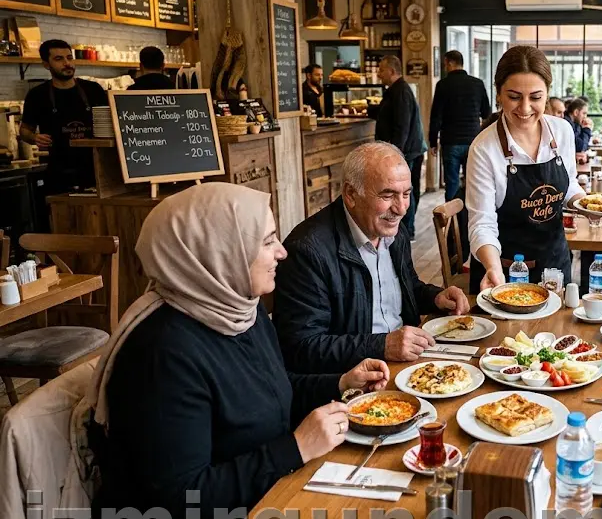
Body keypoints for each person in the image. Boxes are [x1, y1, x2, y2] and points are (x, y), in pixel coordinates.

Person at [88, 183, 391, 516]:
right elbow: (180, 498)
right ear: (218, 253)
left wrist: (340, 383)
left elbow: (271, 391)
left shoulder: (240, 307)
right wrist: (295, 449)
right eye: (267, 241)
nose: (282, 252)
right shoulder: (161, 354)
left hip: (269, 493)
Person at [274, 142, 469, 373]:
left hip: (405, 363)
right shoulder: (307, 251)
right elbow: (301, 347)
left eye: (406, 194)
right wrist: (381, 345)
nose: (401, 208)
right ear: (351, 194)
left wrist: (436, 297)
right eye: (388, 195)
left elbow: (405, 288)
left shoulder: (392, 230)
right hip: (353, 379)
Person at [466, 45, 586, 291]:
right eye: (514, 96)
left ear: (547, 94)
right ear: (498, 94)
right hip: (504, 270)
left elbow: (569, 182)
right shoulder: (484, 147)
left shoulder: (562, 131)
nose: (524, 108)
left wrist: (585, 204)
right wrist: (492, 267)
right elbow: (482, 222)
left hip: (554, 265)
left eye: (535, 97)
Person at [19, 39, 109, 196]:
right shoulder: (37, 95)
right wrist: (34, 137)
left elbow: (113, 122)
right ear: (46, 64)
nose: (67, 63)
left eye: (69, 57)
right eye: (59, 59)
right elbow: (25, 130)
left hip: (97, 170)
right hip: (59, 172)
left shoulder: (93, 90)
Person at [429, 50, 492, 202]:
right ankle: (470, 218)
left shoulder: (443, 85)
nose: (445, 67)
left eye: (445, 64)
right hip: (473, 141)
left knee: (452, 183)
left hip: (450, 141)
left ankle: (452, 221)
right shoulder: (477, 84)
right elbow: (486, 113)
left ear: (450, 63)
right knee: (473, 182)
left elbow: (436, 115)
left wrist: (432, 142)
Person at [375, 54, 427, 236]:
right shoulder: (395, 90)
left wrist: (395, 154)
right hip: (408, 150)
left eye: (381, 70)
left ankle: (407, 230)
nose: (378, 73)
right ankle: (406, 228)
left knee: (405, 192)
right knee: (407, 191)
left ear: (391, 71)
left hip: (407, 151)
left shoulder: (401, 91)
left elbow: (402, 126)